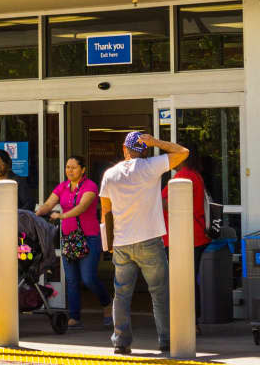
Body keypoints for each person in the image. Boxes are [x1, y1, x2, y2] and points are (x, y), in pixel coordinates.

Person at [100, 131, 189, 356]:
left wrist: (109, 244)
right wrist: (156, 142)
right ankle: (166, 340)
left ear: (124, 148)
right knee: (159, 292)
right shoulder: (151, 166)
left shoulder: (110, 175)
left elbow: (106, 212)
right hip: (149, 240)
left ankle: (120, 342)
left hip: (121, 242)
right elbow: (183, 152)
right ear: (145, 150)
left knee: (121, 294)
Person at [35, 154, 112, 330]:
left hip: (88, 237)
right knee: (71, 280)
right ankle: (75, 317)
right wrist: (36, 214)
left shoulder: (90, 186)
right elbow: (48, 204)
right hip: (69, 238)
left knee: (88, 278)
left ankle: (107, 304)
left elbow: (82, 207)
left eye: (74, 167)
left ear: (82, 169)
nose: (69, 170)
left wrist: (62, 215)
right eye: (67, 167)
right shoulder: (63, 187)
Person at [161, 149, 209, 329]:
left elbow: (168, 202)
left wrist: (153, 197)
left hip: (182, 237)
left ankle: (186, 322)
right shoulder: (195, 175)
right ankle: (192, 320)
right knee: (189, 278)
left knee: (181, 280)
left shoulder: (182, 176)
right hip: (195, 235)